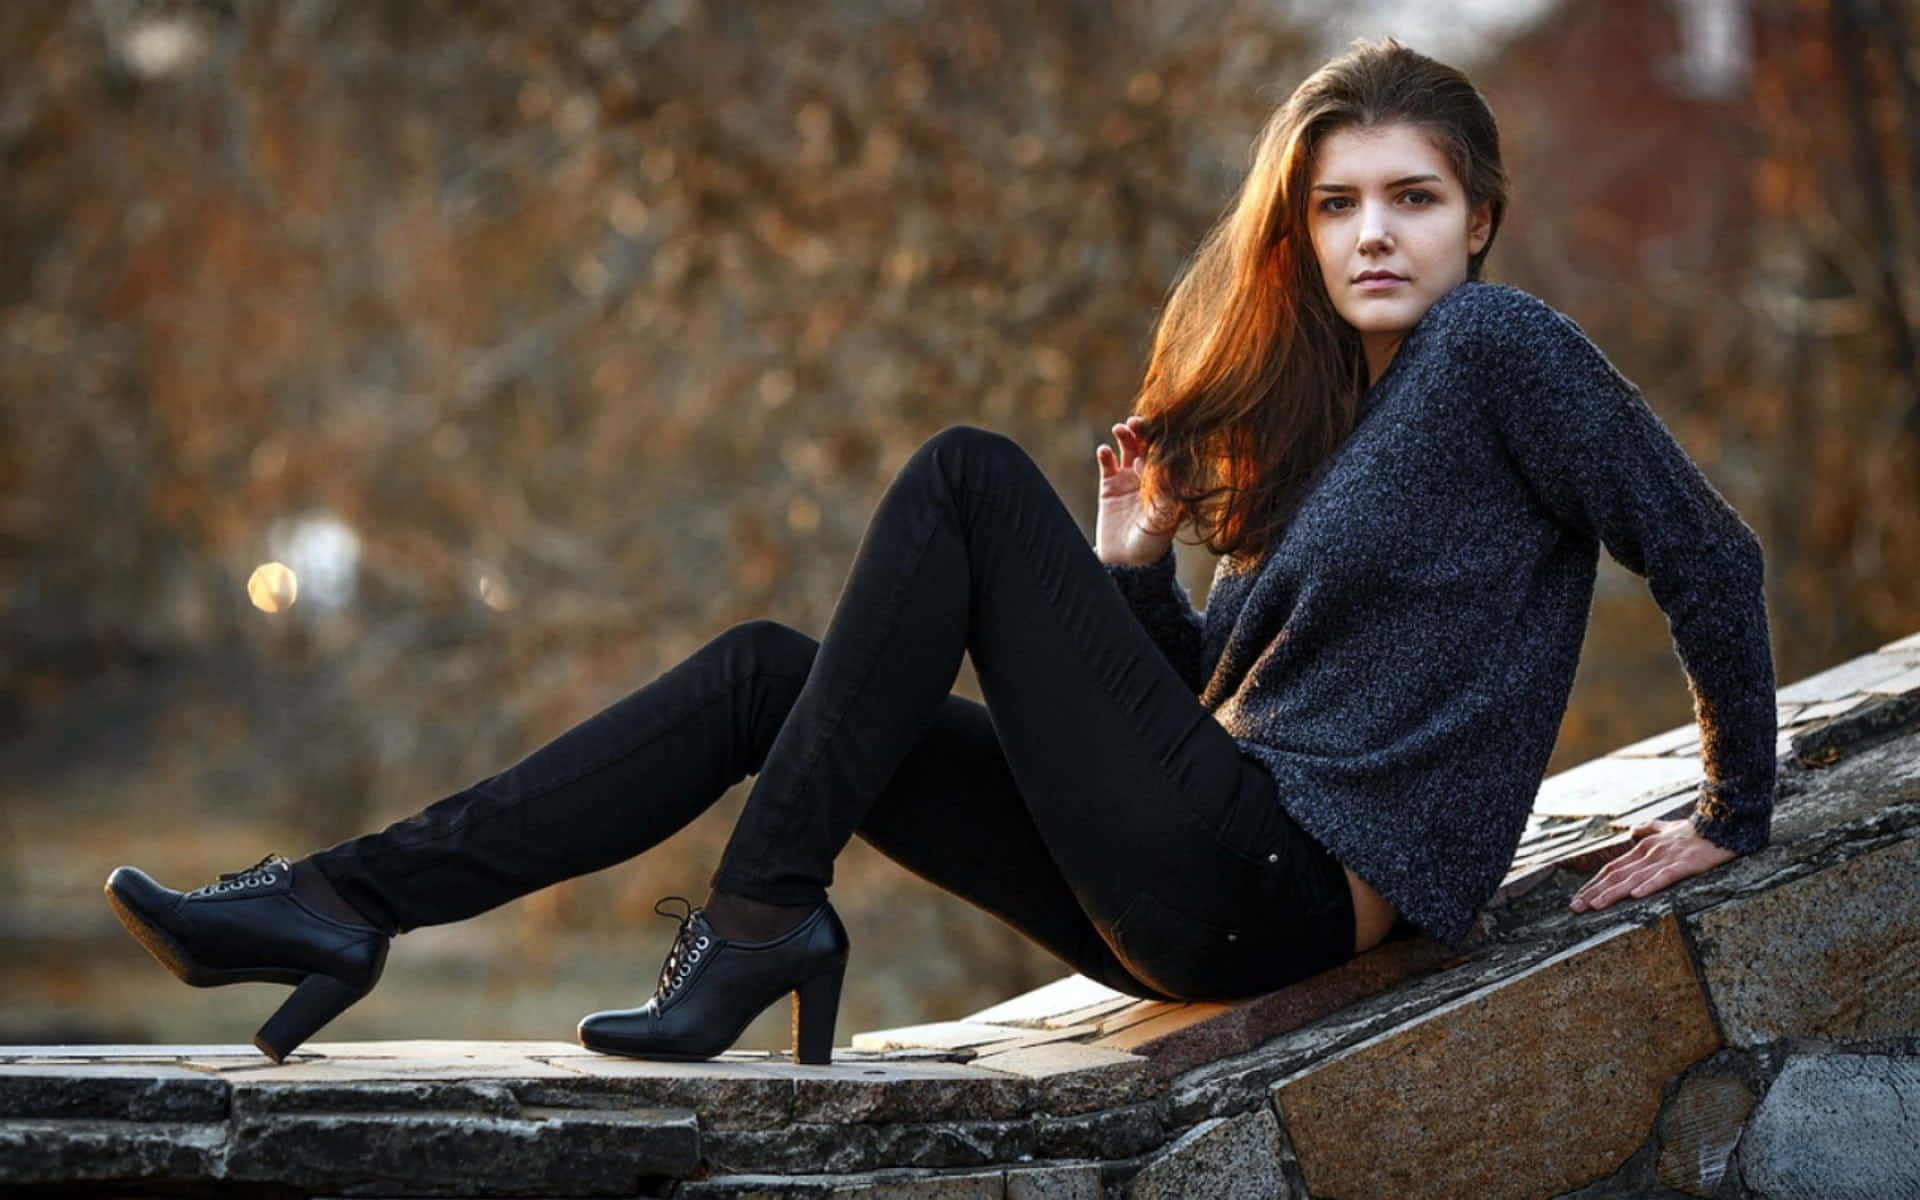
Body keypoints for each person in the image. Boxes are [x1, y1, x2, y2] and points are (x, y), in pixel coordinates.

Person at [103, 37, 1776, 1067]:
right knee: (777, 677)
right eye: (1336, 206)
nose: (1371, 235)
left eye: (1409, 198)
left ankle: (762, 916)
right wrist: (1132, 572)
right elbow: (1217, 717)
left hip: (1281, 893)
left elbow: (1712, 558)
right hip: (1209, 884)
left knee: (972, 481)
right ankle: (341, 902)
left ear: (1480, 210)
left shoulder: (1504, 352)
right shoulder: (1344, 417)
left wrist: (1733, 813)